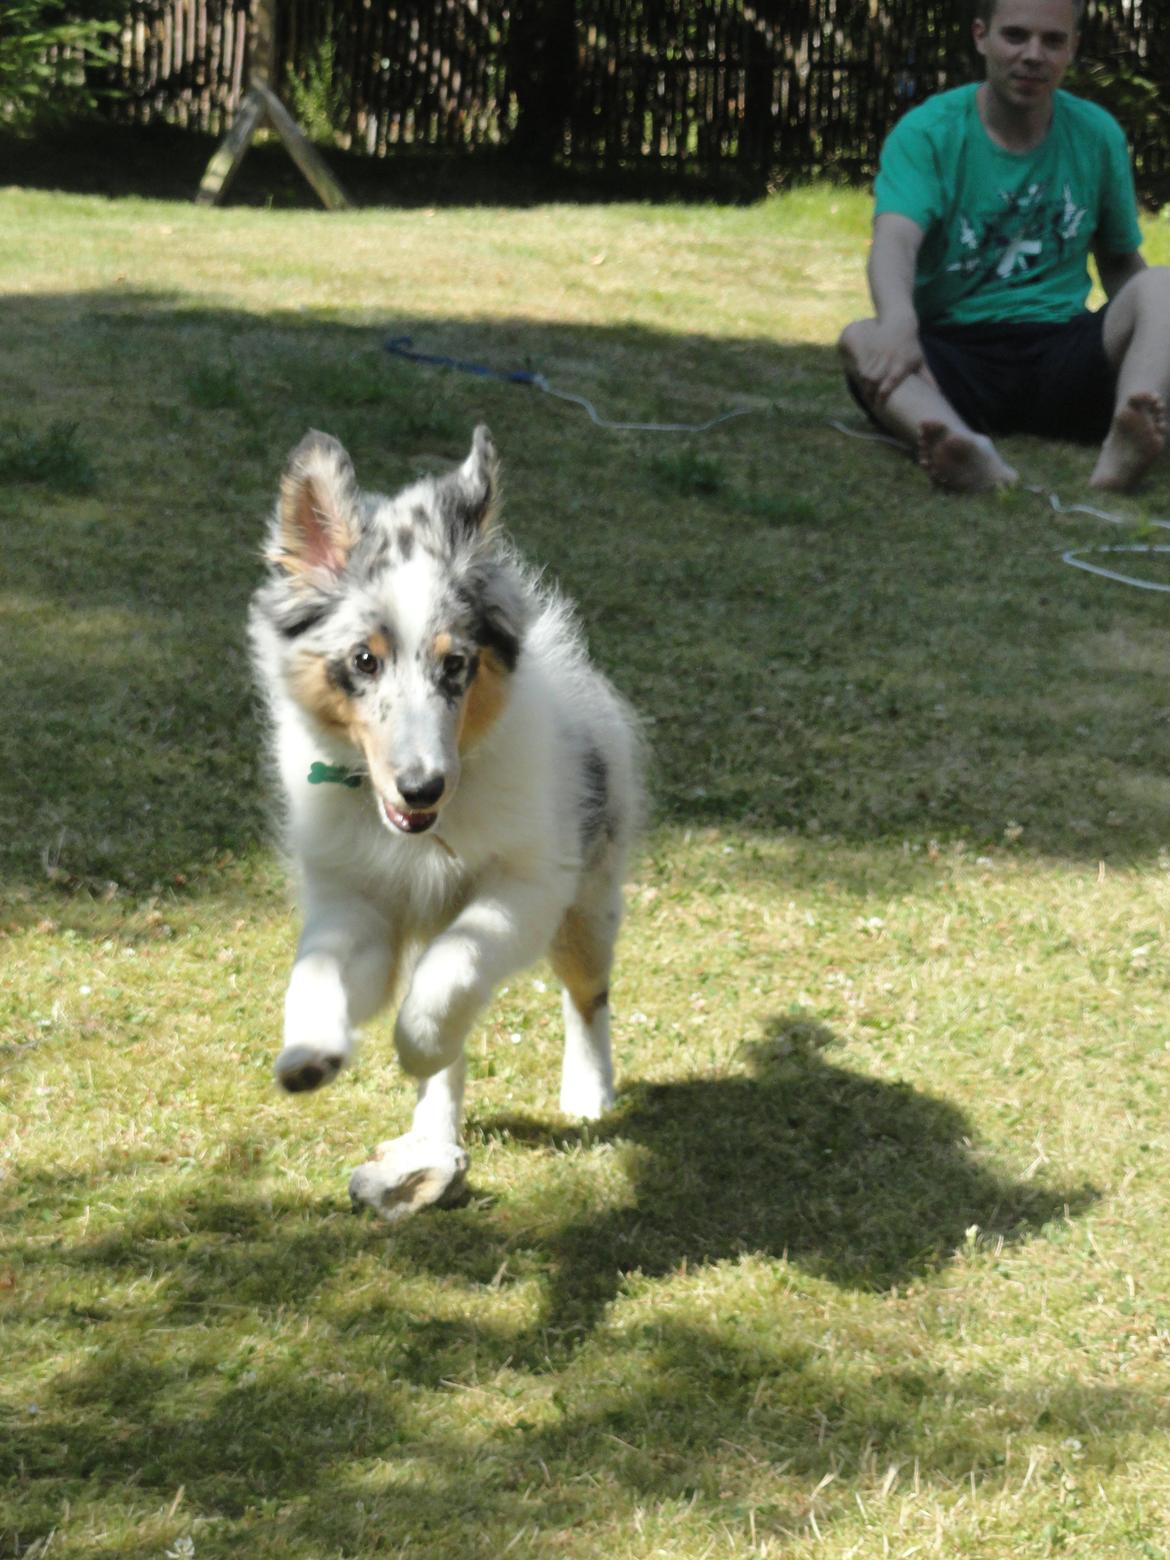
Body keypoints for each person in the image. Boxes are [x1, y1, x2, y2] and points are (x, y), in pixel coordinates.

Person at [838, 0, 1170, 493]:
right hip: (956, 357)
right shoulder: (929, 132)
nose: (1033, 55)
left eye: (1052, 41)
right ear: (981, 36)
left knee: (1163, 285)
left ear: (1073, 48)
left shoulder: (1096, 134)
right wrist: (900, 322)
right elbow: (895, 241)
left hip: (1063, 353)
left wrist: (1157, 343)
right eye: (1015, 36)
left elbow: (1121, 261)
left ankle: (1133, 422)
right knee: (861, 337)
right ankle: (957, 444)